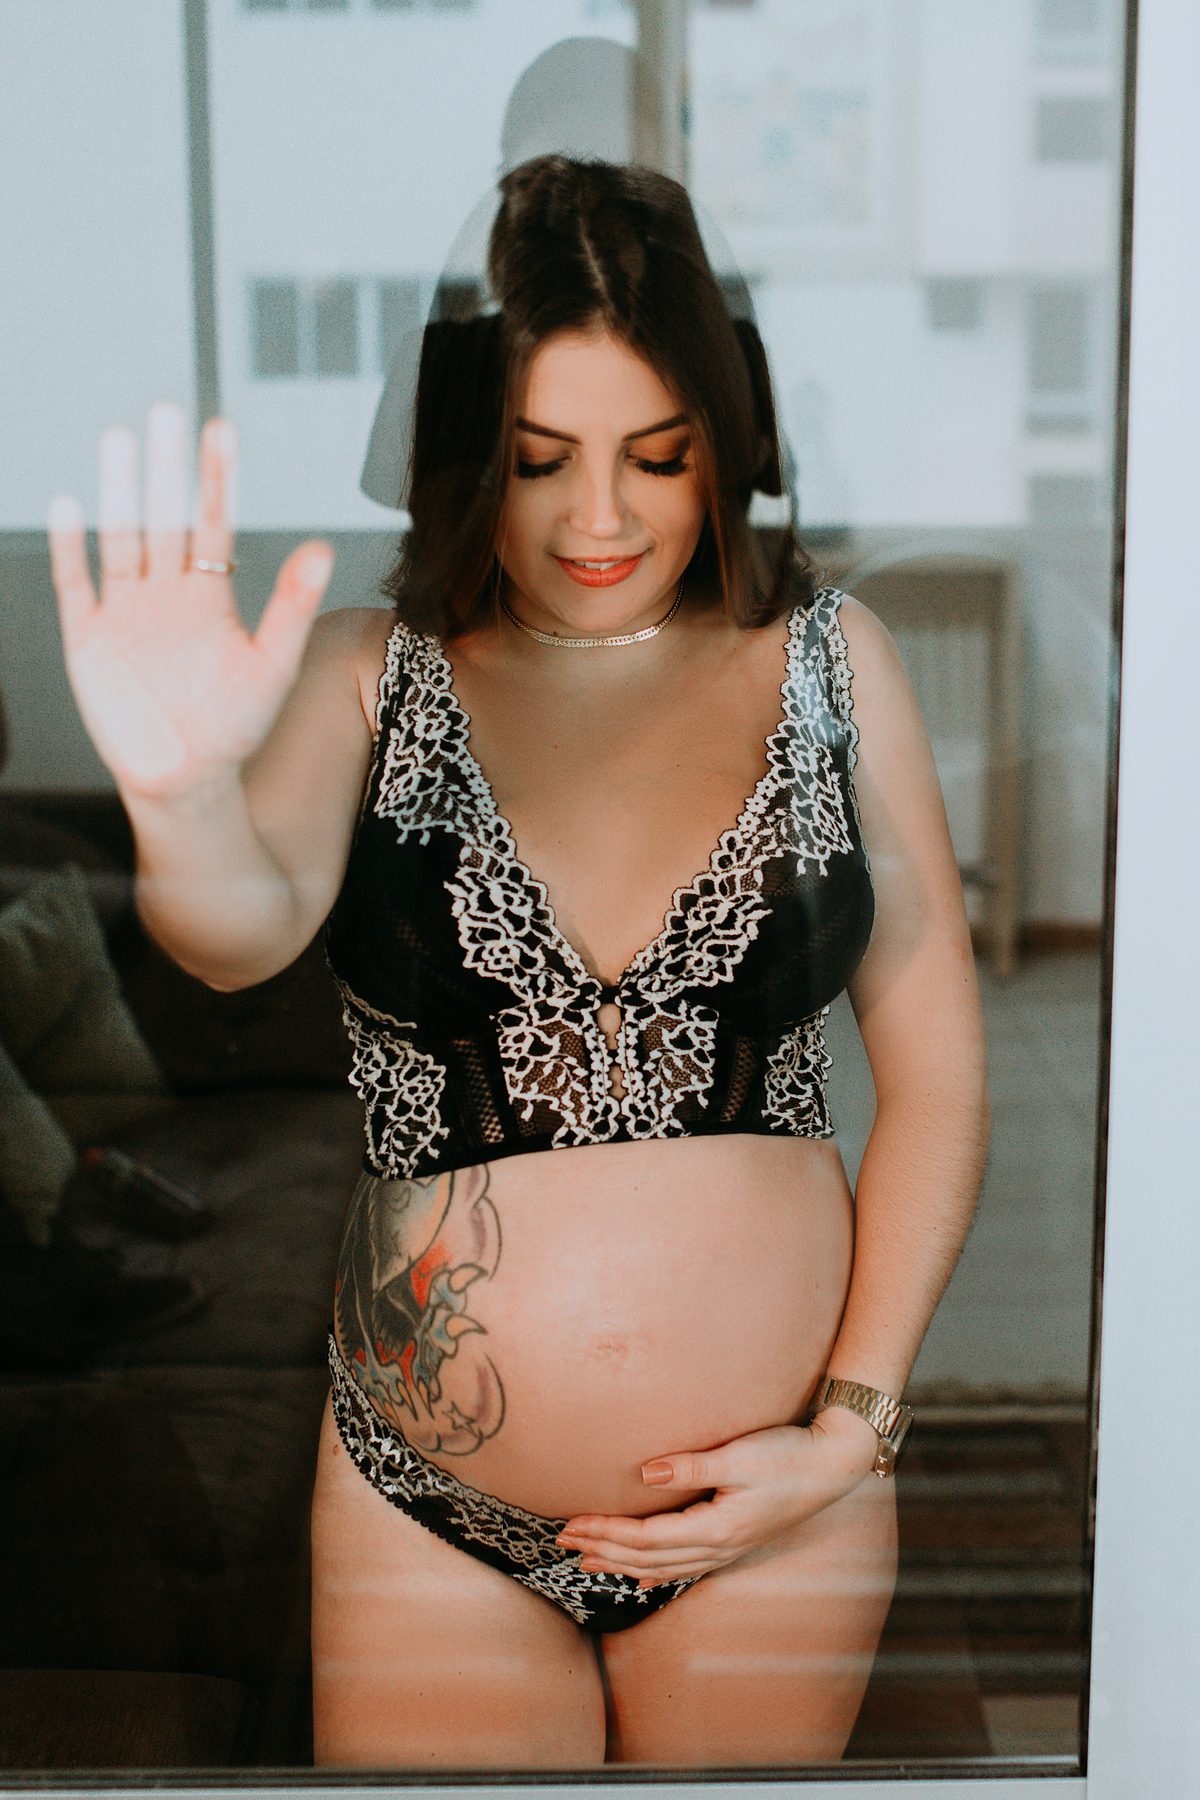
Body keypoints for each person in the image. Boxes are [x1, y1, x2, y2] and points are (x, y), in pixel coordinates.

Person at [48, 156, 987, 1768]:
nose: (600, 517)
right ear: (469, 456)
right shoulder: (375, 671)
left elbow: (944, 1081)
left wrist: (852, 1427)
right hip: (429, 1512)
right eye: (542, 461)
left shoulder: (833, 667)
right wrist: (181, 794)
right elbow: (230, 939)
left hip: (770, 1506)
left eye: (659, 456)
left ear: (728, 446)